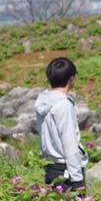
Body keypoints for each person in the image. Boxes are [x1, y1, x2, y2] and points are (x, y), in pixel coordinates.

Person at [36, 57, 88, 193]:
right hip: (66, 171)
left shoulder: (43, 101)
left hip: (50, 166)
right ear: (71, 79)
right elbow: (69, 142)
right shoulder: (64, 105)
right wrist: (78, 180)